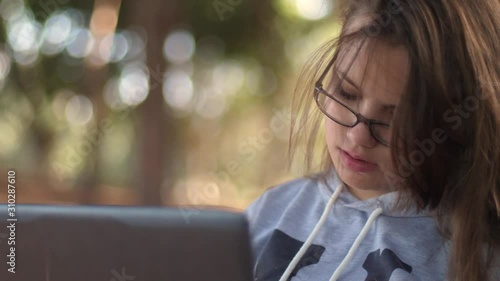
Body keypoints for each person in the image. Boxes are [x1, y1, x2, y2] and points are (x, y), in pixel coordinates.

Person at [244, 0, 500, 280]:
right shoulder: (271, 210)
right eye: (346, 93)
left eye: (397, 118)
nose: (358, 136)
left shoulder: (476, 262)